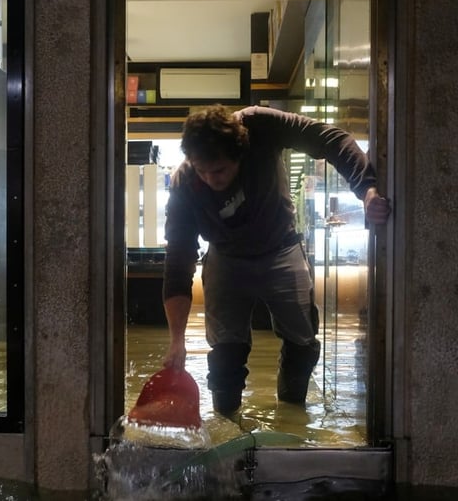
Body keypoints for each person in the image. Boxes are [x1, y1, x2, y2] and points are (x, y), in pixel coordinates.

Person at [161, 104, 391, 415]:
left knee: (303, 342)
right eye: (202, 170)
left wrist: (367, 191)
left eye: (219, 171)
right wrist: (177, 340)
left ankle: (291, 414)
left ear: (240, 154)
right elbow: (178, 259)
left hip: (280, 248)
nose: (210, 178)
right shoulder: (185, 184)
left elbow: (330, 139)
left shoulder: (260, 126)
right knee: (225, 353)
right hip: (225, 257)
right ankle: (227, 422)